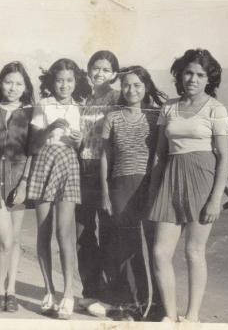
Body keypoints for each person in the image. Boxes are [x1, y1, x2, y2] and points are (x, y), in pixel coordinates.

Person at [148, 49, 228, 323]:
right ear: (179, 75)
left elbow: (224, 157)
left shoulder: (215, 109)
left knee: (194, 251)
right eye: (188, 73)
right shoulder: (168, 107)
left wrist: (215, 198)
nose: (192, 79)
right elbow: (160, 154)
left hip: (202, 180)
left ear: (209, 79)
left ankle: (192, 316)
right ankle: (170, 317)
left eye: (200, 75)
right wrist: (153, 189)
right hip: (171, 179)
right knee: (160, 252)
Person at [87, 66, 165, 321]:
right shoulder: (113, 117)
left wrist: (157, 187)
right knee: (127, 250)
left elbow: (160, 155)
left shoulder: (156, 116)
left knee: (156, 249)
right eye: (127, 85)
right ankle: (134, 304)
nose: (131, 90)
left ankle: (161, 306)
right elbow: (105, 157)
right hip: (121, 187)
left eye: (137, 86)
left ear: (146, 88)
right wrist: (106, 193)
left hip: (150, 187)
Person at [27, 58, 92, 319]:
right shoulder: (43, 105)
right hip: (44, 160)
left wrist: (80, 140)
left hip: (68, 163)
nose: (64, 85)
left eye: (69, 80)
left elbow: (81, 146)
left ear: (76, 83)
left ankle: (67, 294)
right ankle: (48, 290)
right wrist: (50, 128)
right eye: (59, 80)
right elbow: (33, 143)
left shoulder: (80, 108)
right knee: (43, 231)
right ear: (51, 82)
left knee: (65, 233)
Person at [0, 62, 34, 313]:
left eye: (18, 84)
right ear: (0, 83)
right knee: (5, 241)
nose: (13, 88)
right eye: (9, 82)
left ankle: (10, 291)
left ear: (25, 87)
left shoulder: (30, 112)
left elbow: (33, 151)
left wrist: (24, 183)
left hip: (18, 181)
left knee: (14, 241)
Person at [76, 50, 120, 306]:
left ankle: (112, 293)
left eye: (106, 69)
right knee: (83, 233)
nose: (100, 73)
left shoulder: (117, 97)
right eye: (96, 67)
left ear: (114, 74)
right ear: (89, 69)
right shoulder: (83, 100)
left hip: (106, 170)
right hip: (82, 168)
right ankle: (91, 291)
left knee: (109, 232)